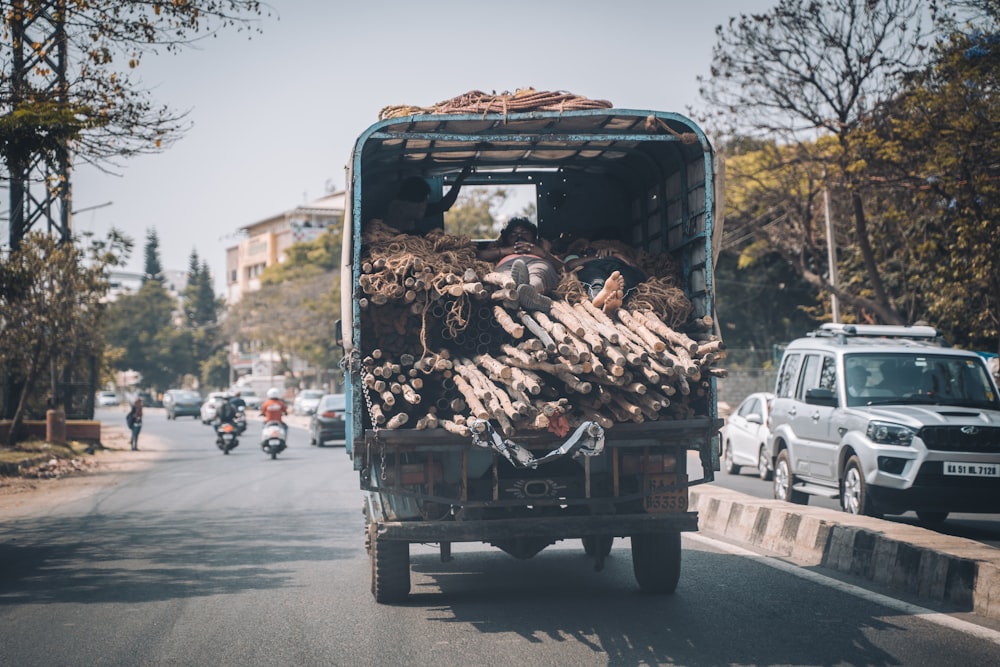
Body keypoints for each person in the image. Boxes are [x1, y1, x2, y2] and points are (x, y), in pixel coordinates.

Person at [478, 217, 563, 312]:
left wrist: (542, 253)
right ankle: (519, 293)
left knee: (538, 275)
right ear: (506, 239)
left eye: (525, 232)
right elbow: (478, 255)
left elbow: (565, 268)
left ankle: (527, 292)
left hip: (537, 262)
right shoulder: (502, 251)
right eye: (513, 234)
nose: (519, 236)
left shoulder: (543, 251)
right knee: (507, 278)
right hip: (507, 265)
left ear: (534, 238)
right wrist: (504, 251)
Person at [562, 239, 648, 315]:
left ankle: (612, 299)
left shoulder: (616, 253)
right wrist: (599, 257)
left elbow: (640, 272)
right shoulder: (576, 255)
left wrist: (618, 255)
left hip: (618, 265)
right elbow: (571, 265)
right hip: (592, 266)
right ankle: (599, 297)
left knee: (624, 279)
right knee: (596, 279)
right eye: (581, 245)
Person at [384, 165, 472, 234]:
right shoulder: (399, 207)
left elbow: (443, 205)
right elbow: (443, 206)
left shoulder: (412, 207)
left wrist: (460, 178)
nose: (423, 205)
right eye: (423, 200)